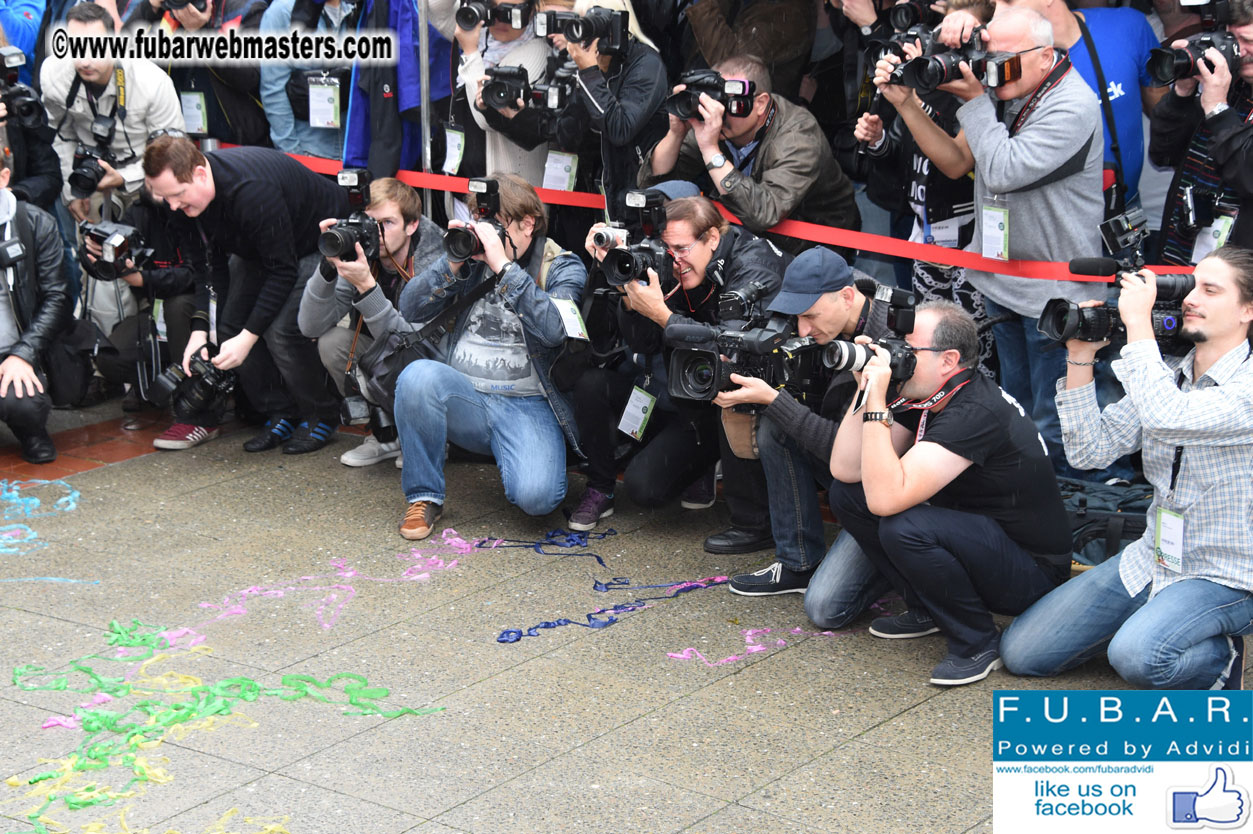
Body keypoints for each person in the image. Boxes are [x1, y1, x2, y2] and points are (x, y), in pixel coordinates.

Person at [1002, 246, 1253, 690]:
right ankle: (1162, 619)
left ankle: (1218, 658)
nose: (1191, 297)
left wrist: (1138, 324)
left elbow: (1167, 417)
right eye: (1192, 285)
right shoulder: (1170, 374)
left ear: (1247, 310)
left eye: (1210, 290)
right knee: (1023, 653)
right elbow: (1088, 452)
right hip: (1155, 556)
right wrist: (1080, 356)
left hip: (1229, 574)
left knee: (1137, 657)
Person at [878, 7, 1103, 475]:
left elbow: (1002, 169)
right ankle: (1019, 496)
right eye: (987, 54)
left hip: (1054, 296)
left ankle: (1061, 514)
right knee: (1016, 409)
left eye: (1004, 58)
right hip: (1004, 285)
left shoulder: (1073, 105)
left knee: (1051, 418)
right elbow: (957, 161)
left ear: (1046, 57)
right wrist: (907, 101)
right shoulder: (1010, 86)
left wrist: (976, 97)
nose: (991, 67)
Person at [824, 300, 1071, 685]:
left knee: (903, 526)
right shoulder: (929, 393)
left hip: (1030, 570)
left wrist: (877, 406)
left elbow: (888, 499)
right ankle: (927, 610)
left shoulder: (975, 410)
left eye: (910, 349)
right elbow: (846, 468)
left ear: (948, 360)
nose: (896, 356)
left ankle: (976, 642)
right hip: (978, 535)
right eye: (895, 344)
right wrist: (866, 390)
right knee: (846, 495)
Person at [569, 195, 788, 549]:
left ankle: (749, 519)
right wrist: (628, 288)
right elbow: (643, 343)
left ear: (713, 239)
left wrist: (661, 313)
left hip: (719, 398)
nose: (675, 259)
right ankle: (599, 487)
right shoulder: (670, 263)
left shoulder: (751, 267)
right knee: (592, 382)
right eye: (667, 249)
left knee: (646, 488)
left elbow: (734, 356)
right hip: (672, 389)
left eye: (683, 248)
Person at [393, 174, 587, 540]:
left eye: (497, 226)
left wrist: (505, 268)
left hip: (528, 404)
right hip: (464, 394)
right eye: (484, 225)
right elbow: (411, 307)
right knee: (418, 377)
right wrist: (451, 261)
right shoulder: (472, 258)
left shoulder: (561, 265)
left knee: (538, 499)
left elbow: (555, 330)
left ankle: (515, 453)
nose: (488, 236)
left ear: (528, 223)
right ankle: (424, 495)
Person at [142, 136, 349, 454]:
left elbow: (282, 270)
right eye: (165, 198)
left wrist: (249, 337)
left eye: (178, 196)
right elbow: (206, 267)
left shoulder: (252, 190)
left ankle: (322, 412)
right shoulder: (180, 201)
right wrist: (200, 330)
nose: (173, 206)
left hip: (314, 239)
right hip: (257, 246)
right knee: (227, 329)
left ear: (199, 174)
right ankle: (281, 410)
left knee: (281, 331)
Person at [711, 247, 894, 594]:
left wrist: (774, 400)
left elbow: (851, 457)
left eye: (810, 315)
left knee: (825, 605)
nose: (803, 329)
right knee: (774, 426)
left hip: (887, 484)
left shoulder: (892, 337)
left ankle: (892, 562)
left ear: (847, 295)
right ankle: (797, 563)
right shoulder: (830, 318)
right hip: (847, 477)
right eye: (797, 316)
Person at [41, 2, 184, 333]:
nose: (84, 59)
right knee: (99, 269)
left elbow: (177, 153)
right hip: (91, 183)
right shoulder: (54, 74)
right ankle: (107, 359)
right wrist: (70, 188)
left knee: (155, 266)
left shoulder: (152, 82)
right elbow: (59, 137)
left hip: (149, 183)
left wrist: (127, 177)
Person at [639, 53, 860, 258]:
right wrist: (676, 134)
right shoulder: (719, 126)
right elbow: (654, 183)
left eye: (730, 104)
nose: (720, 112)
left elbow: (763, 212)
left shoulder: (798, 136)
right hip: (753, 239)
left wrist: (710, 149)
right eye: (716, 103)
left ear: (761, 103)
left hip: (818, 247)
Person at [298, 177, 444, 467]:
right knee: (332, 342)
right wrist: (326, 269)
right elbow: (309, 327)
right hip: (385, 354)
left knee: (414, 366)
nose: (375, 232)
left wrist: (366, 286)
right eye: (368, 222)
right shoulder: (362, 252)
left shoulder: (435, 261)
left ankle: (431, 436)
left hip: (433, 362)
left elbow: (412, 347)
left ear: (411, 225)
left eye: (387, 223)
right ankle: (386, 435)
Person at [1149, 0, 1253, 265]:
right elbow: (1163, 154)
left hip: (1237, 278)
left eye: (1248, 40)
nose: (1240, 51)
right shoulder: (1229, 85)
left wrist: (1218, 110)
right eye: (1232, 39)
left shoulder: (1220, 95)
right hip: (1181, 256)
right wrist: (1183, 93)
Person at [0, 153, 70, 463]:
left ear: (3, 179)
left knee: (23, 403)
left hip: (14, 349)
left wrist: (23, 353)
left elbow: (58, 298)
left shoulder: (35, 222)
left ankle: (31, 432)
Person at [258, 0, 361, 160]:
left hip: (354, 152)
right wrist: (295, 155)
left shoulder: (357, 8)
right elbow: (273, 92)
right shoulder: (282, 13)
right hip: (310, 152)